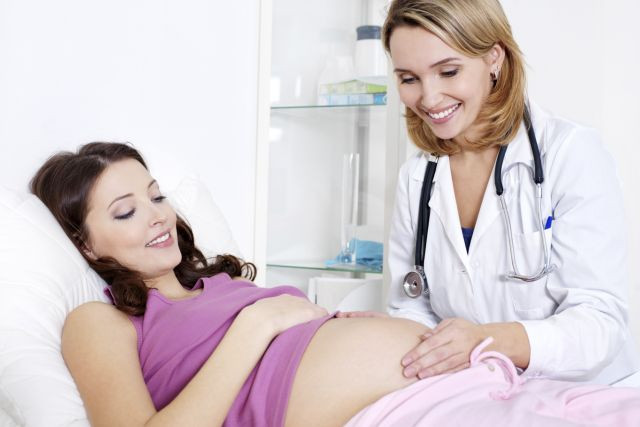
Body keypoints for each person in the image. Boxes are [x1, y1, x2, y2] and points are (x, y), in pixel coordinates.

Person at [31, 142, 640, 426]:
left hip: (477, 384)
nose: (158, 216)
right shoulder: (100, 320)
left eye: (156, 196)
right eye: (125, 212)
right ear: (85, 245)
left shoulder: (218, 283)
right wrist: (258, 324)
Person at [373, 0, 639, 384]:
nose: (428, 98)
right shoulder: (417, 177)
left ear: (493, 58)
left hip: (587, 395)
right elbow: (412, 309)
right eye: (409, 78)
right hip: (481, 395)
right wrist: (382, 334)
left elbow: (600, 324)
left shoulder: (569, 153)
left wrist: (485, 341)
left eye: (448, 71)